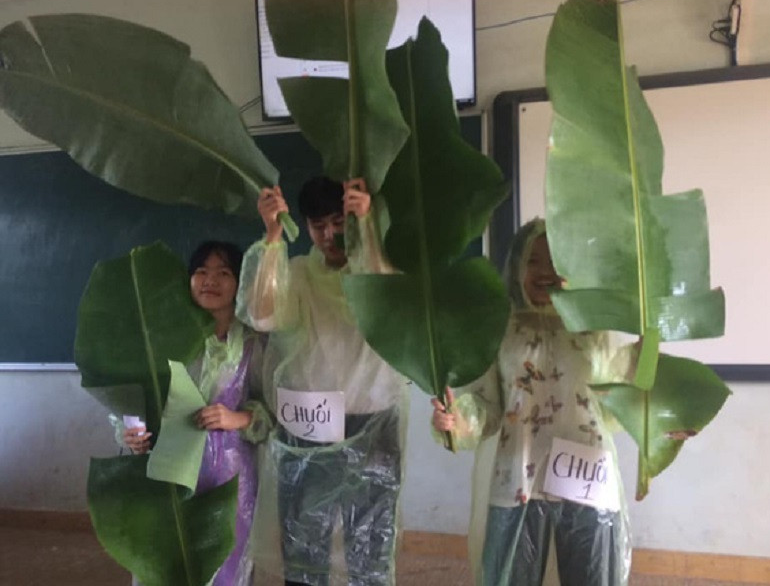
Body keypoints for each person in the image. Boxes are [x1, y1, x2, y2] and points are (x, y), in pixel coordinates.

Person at [431, 219, 634, 586]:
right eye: (534, 261)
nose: (546, 272)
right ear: (517, 267)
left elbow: (624, 397)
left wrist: (663, 402)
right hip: (517, 480)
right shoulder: (499, 330)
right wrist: (459, 421)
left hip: (587, 479)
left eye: (556, 261)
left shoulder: (593, 331)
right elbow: (486, 406)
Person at [237, 176, 407, 586]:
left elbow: (390, 304)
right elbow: (263, 314)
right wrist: (272, 237)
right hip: (309, 426)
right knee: (303, 544)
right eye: (318, 225)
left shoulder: (378, 271)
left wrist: (367, 228)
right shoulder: (297, 273)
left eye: (338, 222)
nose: (330, 235)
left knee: (370, 544)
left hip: (372, 422)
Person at [117, 240, 270, 586]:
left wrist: (237, 418)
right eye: (201, 271)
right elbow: (137, 400)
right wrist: (133, 432)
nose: (210, 281)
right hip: (171, 472)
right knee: (169, 560)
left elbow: (274, 412)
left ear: (239, 282)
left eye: (223, 273)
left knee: (226, 564)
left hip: (229, 479)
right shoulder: (163, 342)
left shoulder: (253, 344)